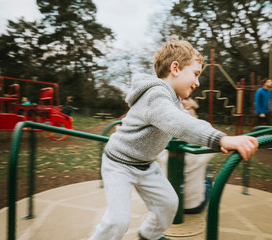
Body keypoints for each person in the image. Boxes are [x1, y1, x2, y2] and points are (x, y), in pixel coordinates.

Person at [89, 39, 258, 240]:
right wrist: (221, 139)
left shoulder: (174, 101)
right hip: (119, 164)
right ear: (175, 68)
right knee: (118, 220)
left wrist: (213, 136)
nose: (197, 82)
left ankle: (148, 236)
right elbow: (178, 122)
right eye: (195, 74)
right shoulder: (156, 95)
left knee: (168, 205)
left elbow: (185, 121)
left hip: (145, 164)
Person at [157, 97, 215, 214]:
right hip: (193, 207)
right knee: (208, 176)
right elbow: (213, 137)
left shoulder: (162, 149)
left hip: (167, 206)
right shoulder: (199, 152)